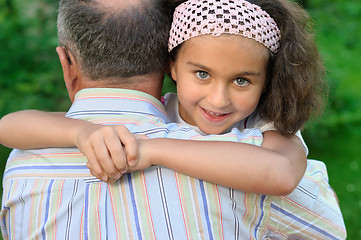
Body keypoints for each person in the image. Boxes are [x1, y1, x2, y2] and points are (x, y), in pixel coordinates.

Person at [0, 0, 347, 239]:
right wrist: (80, 132)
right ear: (171, 66)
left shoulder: (262, 131)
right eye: (202, 74)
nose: (218, 99)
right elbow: (8, 127)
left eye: (242, 80)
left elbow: (282, 172)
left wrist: (152, 150)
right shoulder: (159, 111)